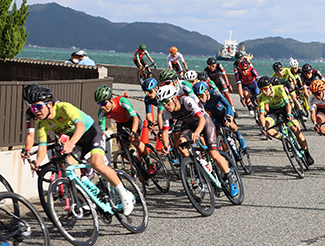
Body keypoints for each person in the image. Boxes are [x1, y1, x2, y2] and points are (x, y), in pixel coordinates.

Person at [26, 85, 135, 215]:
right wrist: (37, 161)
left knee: (97, 164)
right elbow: (42, 146)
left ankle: (125, 195)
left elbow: (80, 126)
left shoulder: (64, 107)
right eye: (32, 108)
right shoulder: (41, 123)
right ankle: (88, 198)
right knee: (70, 170)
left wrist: (71, 143)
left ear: (49, 104)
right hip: (78, 141)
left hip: (91, 134)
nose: (35, 111)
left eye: (38, 107)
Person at [157, 85, 239, 197]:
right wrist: (166, 145)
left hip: (204, 123)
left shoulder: (186, 101)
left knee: (213, 154)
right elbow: (165, 131)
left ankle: (231, 178)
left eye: (166, 101)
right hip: (188, 125)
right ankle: (196, 164)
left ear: (175, 98)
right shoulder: (166, 112)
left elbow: (201, 118)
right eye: (162, 103)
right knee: (179, 144)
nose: (165, 105)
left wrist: (197, 132)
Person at [95, 85, 157, 175]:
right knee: (123, 150)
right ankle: (137, 164)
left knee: (134, 140)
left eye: (104, 103)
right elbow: (102, 132)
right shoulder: (102, 112)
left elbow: (135, 118)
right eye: (99, 104)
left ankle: (149, 164)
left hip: (133, 120)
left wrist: (133, 131)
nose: (102, 107)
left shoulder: (122, 101)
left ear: (111, 99)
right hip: (121, 124)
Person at [257, 76, 314, 166]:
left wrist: (289, 114)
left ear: (271, 86)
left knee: (296, 131)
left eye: (265, 89)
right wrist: (263, 127)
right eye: (261, 90)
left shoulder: (279, 89)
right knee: (266, 128)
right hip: (274, 112)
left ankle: (307, 154)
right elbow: (261, 114)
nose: (263, 92)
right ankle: (283, 139)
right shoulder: (260, 97)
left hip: (285, 109)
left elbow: (287, 103)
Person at [193, 81, 248, 154]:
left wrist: (228, 115)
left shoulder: (214, 93)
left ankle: (239, 135)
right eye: (198, 97)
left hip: (225, 111)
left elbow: (228, 105)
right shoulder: (200, 103)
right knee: (217, 134)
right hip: (215, 116)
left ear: (206, 91)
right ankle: (229, 156)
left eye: (201, 96)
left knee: (229, 124)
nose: (200, 99)